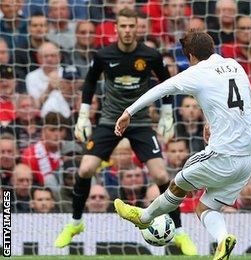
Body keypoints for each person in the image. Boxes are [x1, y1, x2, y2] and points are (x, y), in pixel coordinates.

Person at [54, 8, 198, 255]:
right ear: (116, 28)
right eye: (124, 26)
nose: (128, 31)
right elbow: (89, 82)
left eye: (132, 26)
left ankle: (180, 233)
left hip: (140, 122)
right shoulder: (103, 54)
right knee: (85, 169)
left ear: (137, 28)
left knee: (162, 176)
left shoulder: (150, 55)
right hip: (110, 121)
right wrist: (83, 115)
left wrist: (166, 115)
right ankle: (75, 224)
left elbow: (166, 82)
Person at [112, 29, 251, 260]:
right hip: (248, 158)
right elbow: (244, 101)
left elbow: (161, 88)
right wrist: (211, 122)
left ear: (190, 56)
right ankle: (222, 242)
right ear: (212, 48)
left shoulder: (197, 72)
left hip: (223, 154)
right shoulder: (235, 66)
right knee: (205, 208)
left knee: (178, 184)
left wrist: (129, 111)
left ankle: (145, 217)